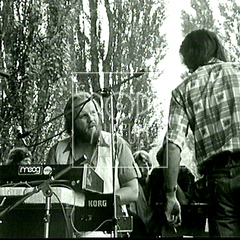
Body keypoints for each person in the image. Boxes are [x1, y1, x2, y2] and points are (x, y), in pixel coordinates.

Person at [159, 28, 240, 237]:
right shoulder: (238, 71)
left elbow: (173, 145)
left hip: (219, 181)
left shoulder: (182, 91)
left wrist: (170, 195)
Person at [46, 91, 139, 237]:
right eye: (83, 116)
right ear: (71, 123)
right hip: (66, 229)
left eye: (93, 113)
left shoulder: (117, 145)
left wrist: (100, 203)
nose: (91, 119)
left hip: (108, 228)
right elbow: (49, 193)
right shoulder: (56, 151)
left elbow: (133, 191)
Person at [127, 150, 153, 238]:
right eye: (138, 167)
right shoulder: (132, 187)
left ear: (149, 166)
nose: (141, 170)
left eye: (144, 165)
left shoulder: (155, 183)